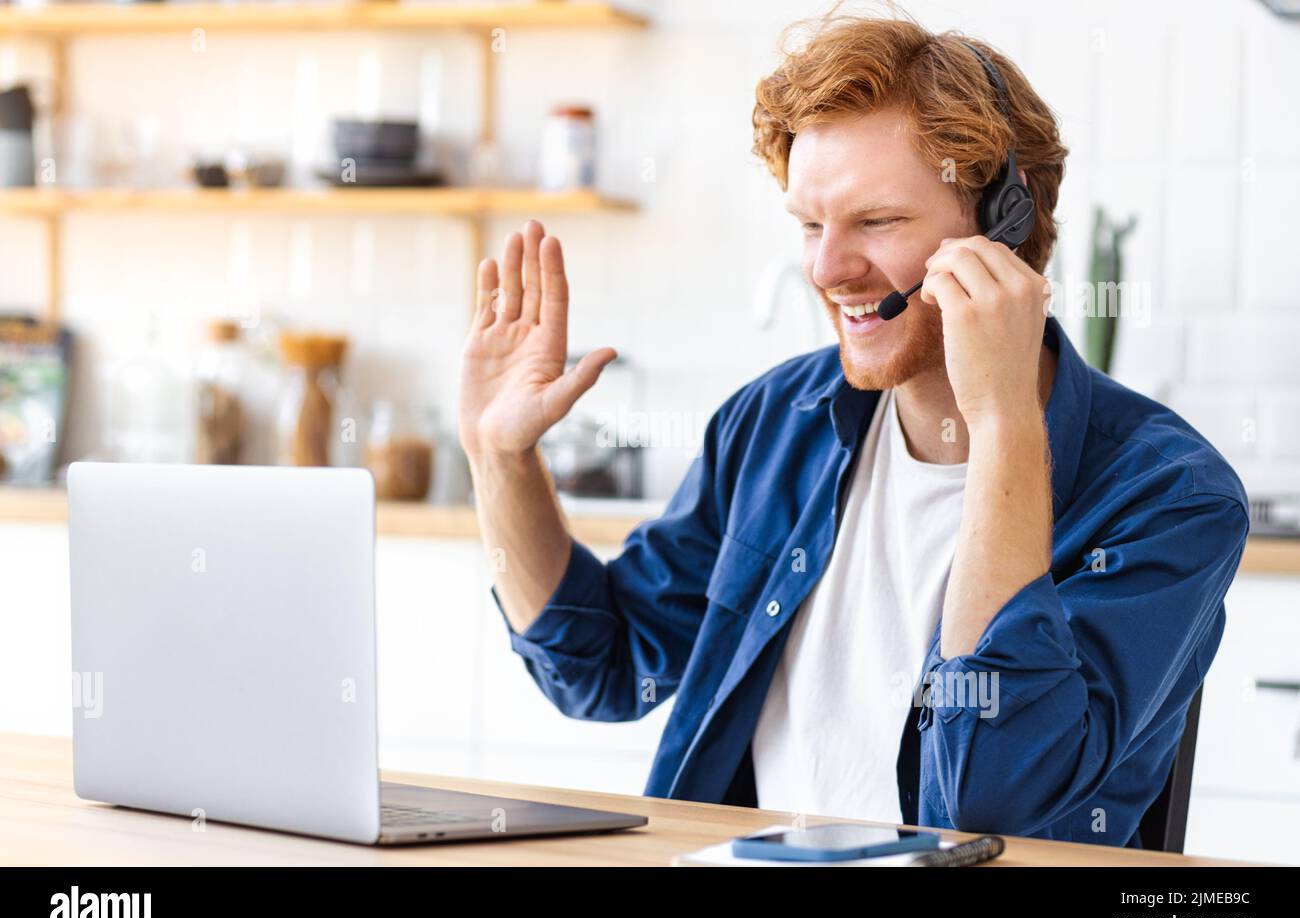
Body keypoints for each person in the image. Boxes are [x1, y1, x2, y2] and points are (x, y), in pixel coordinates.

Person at [456, 12, 1248, 847]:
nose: (826, 270)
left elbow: (995, 806)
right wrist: (500, 457)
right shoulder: (775, 423)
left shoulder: (1170, 495)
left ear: (1005, 224)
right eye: (808, 224)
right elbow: (607, 665)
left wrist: (1002, 422)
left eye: (877, 222)